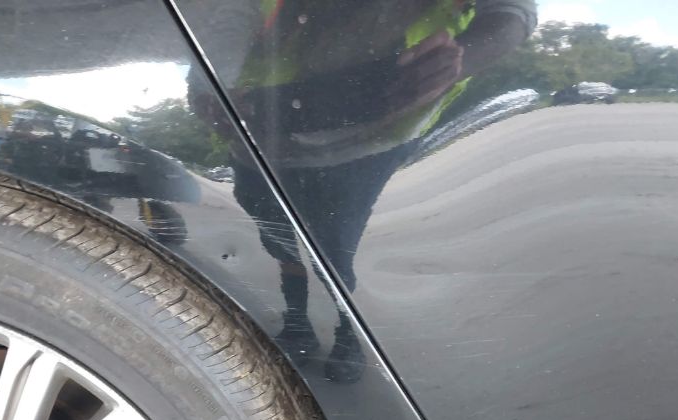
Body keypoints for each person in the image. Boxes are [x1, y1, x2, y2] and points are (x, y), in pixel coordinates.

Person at [187, 0, 537, 382]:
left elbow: (512, 11)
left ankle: (348, 335)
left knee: (335, 255)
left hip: (361, 145)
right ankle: (299, 321)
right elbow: (217, 37)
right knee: (279, 245)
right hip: (256, 142)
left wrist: (459, 58)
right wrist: (207, 95)